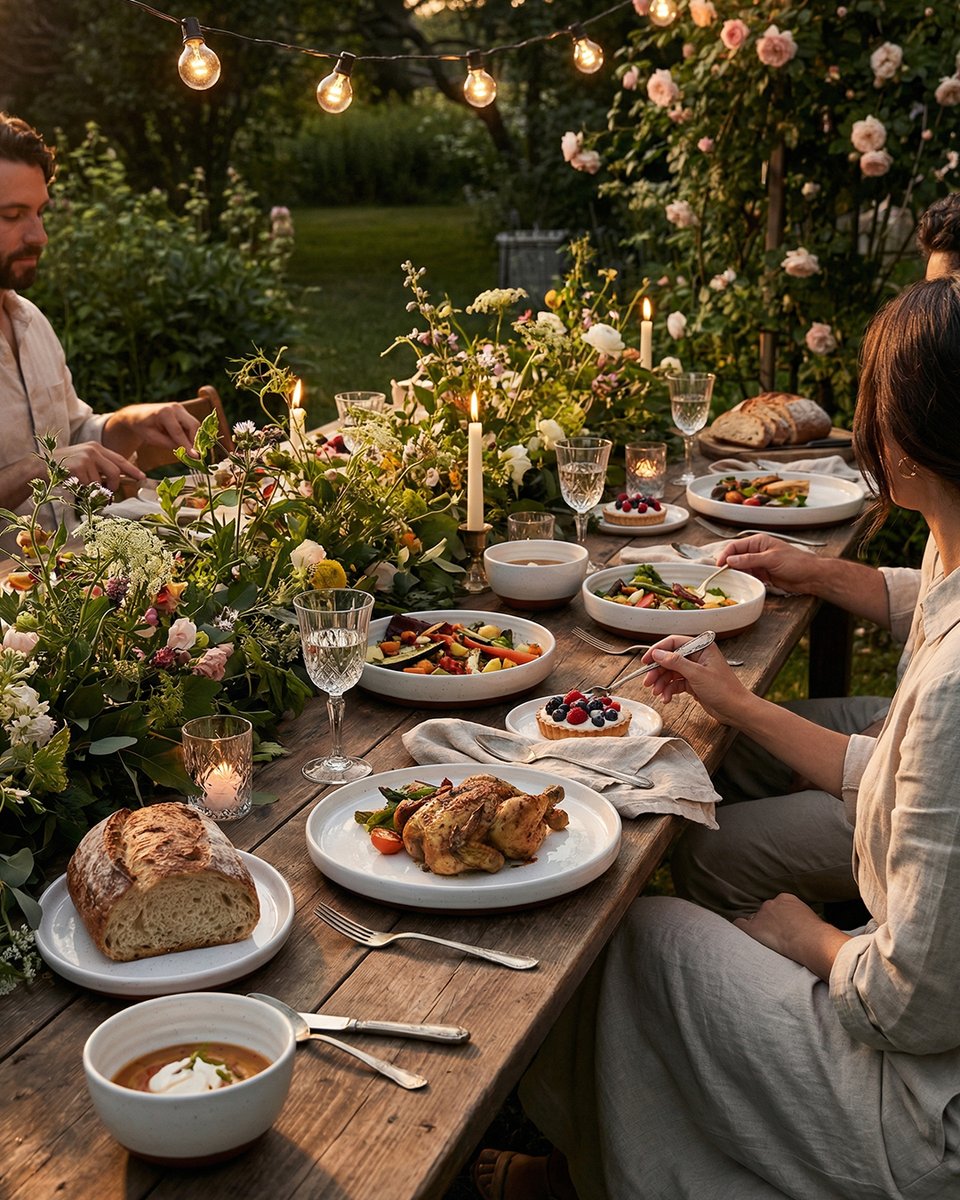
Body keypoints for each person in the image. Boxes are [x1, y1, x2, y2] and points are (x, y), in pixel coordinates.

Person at [476, 274, 960, 1200]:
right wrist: (737, 703)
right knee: (701, 830)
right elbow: (901, 784)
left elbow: (909, 1004)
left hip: (925, 1115)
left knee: (631, 932)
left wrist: (807, 936)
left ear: (900, 445)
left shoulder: (953, 692)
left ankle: (619, 1168)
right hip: (923, 1026)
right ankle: (622, 1148)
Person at [669, 191, 960, 918]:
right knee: (720, 741)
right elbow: (933, 597)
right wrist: (816, 569)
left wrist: (805, 938)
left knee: (701, 847)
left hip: (912, 808)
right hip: (903, 733)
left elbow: (914, 979)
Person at [0, 112, 200, 529]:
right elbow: (55, 460)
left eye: (40, 212)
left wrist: (130, 422)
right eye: (13, 215)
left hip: (72, 563)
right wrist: (37, 469)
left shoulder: (30, 321)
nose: (39, 236)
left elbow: (73, 440)